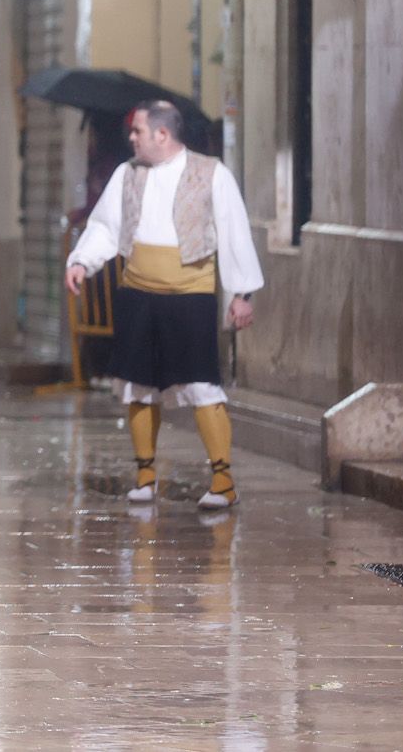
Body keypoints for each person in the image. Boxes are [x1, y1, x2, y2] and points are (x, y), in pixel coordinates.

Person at [66, 101, 262, 510]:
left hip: (189, 296)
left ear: (162, 134)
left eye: (137, 131)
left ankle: (223, 480)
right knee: (138, 386)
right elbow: (105, 225)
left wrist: (241, 293)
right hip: (137, 293)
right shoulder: (127, 174)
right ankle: (145, 476)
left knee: (201, 385)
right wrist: (83, 261)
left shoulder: (211, 173)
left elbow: (234, 231)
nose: (131, 138)